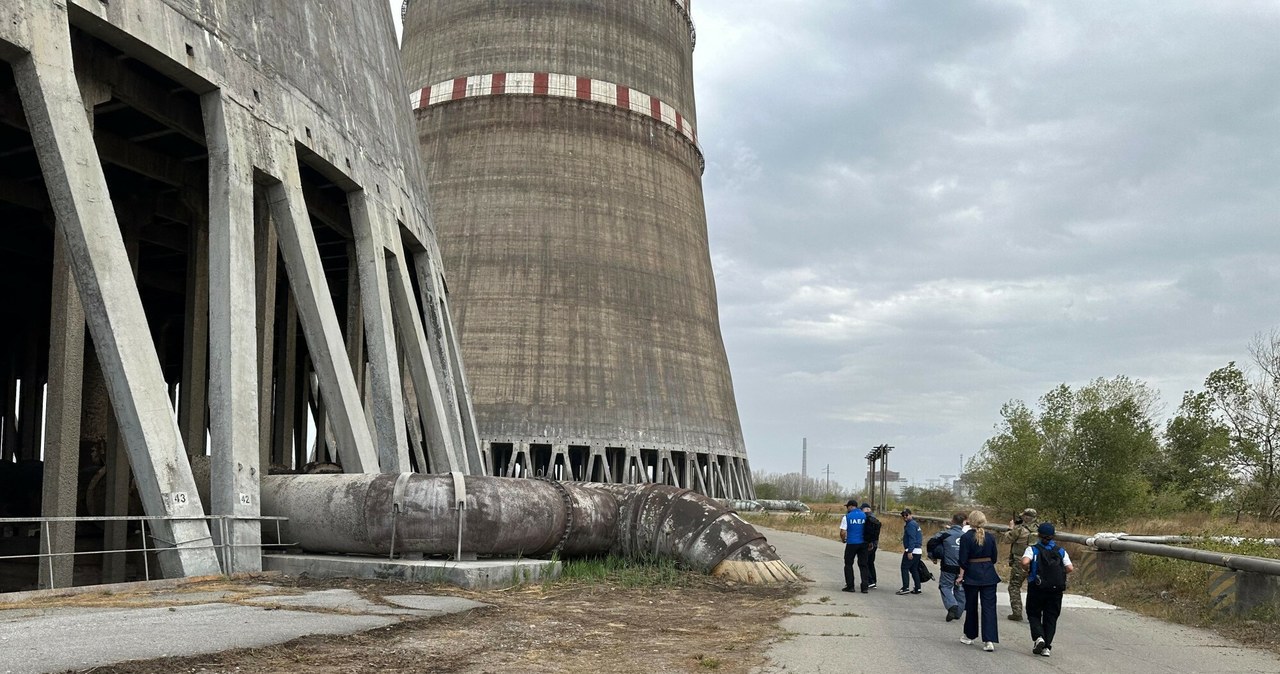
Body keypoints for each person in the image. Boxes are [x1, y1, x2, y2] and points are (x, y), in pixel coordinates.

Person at [1022, 522, 1074, 658]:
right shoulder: (1061, 551)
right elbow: (1070, 568)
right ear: (1053, 536)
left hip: (1037, 587)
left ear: (1038, 535)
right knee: (1051, 617)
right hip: (1056, 590)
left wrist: (1027, 570)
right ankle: (1046, 648)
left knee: (1033, 613)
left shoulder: (1032, 549)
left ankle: (1039, 637)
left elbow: (1025, 562)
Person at [958, 509, 1000, 652]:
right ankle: (989, 640)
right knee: (989, 608)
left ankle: (970, 635)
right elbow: (994, 558)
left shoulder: (966, 538)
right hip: (989, 574)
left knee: (971, 606)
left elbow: (963, 560)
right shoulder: (990, 537)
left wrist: (962, 573)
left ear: (970, 521)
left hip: (972, 574)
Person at [928, 512, 967, 622]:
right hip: (963, 567)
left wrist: (933, 556)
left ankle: (952, 605)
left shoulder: (945, 534)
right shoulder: (967, 536)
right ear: (964, 523)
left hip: (948, 566)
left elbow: (931, 543)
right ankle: (958, 612)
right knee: (960, 589)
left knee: (945, 586)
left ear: (952, 521)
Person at [1002, 507, 1038, 621]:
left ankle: (1017, 612)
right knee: (1035, 588)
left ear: (1026, 517)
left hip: (1020, 561)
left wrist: (1010, 527)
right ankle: (1035, 613)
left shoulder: (1020, 529)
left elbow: (1007, 539)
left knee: (1014, 586)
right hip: (1036, 561)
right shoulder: (1040, 529)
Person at [839, 499, 870, 593]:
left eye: (847, 506)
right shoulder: (864, 515)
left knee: (848, 564)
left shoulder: (847, 517)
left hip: (852, 543)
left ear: (851, 506)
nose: (847, 508)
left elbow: (843, 531)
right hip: (863, 543)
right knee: (863, 565)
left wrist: (843, 539)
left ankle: (850, 586)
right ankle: (864, 587)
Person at [896, 508, 923, 595]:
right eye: (903, 516)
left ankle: (905, 587)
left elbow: (912, 538)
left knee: (904, 568)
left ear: (911, 515)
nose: (905, 517)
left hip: (913, 550)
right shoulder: (915, 524)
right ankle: (917, 588)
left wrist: (910, 551)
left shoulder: (911, 525)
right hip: (918, 550)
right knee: (914, 569)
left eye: (906, 515)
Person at [861, 503, 881, 589]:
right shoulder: (874, 518)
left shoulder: (866, 518)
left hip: (868, 544)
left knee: (864, 562)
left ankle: (870, 580)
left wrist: (868, 542)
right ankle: (874, 580)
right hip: (875, 544)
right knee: (871, 563)